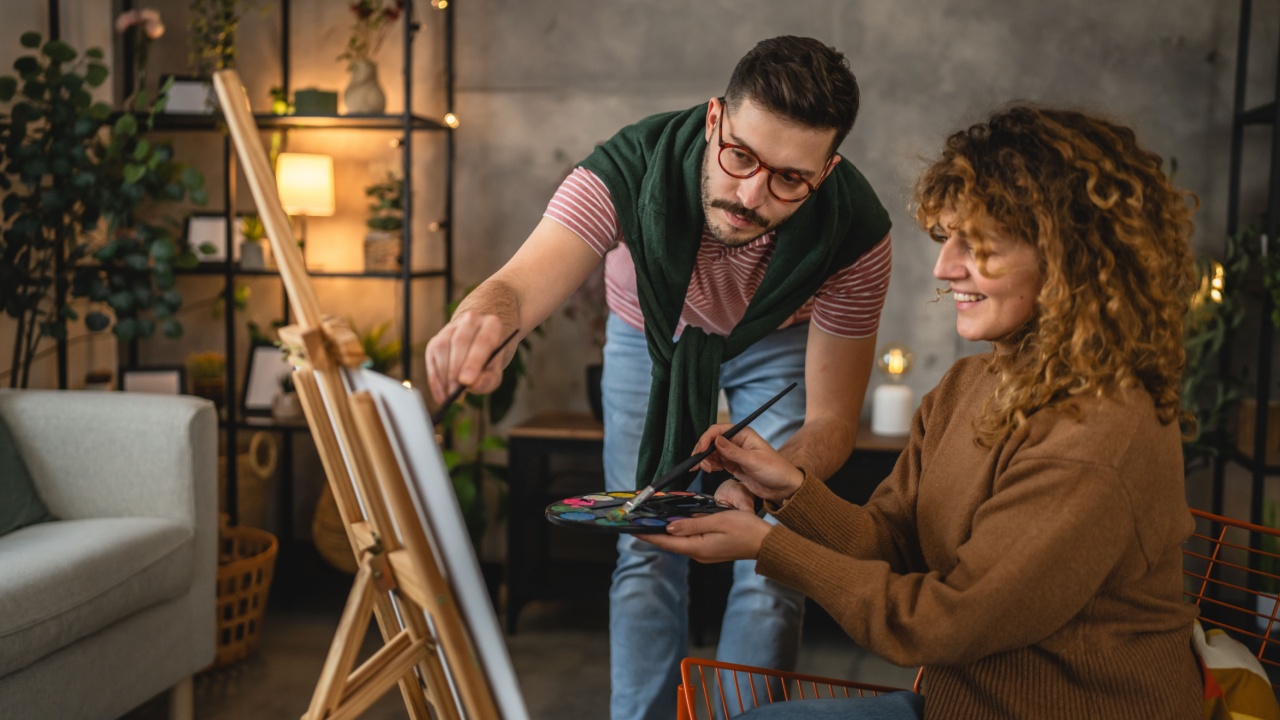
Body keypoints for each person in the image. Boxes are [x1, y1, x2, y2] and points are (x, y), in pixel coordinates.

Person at [644, 105, 1204, 719]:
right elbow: (892, 543)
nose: (944, 266)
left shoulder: (1098, 433)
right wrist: (791, 488)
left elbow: (943, 622)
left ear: (1074, 256)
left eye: (980, 243)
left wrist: (766, 548)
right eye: (948, 237)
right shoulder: (970, 383)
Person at [424, 36, 893, 720]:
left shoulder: (855, 231)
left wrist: (771, 480)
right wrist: (484, 320)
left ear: (828, 171)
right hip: (651, 333)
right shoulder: (631, 163)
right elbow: (517, 288)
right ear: (713, 120)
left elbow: (830, 422)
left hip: (781, 340)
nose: (752, 195)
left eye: (790, 179)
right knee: (643, 544)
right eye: (740, 156)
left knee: (776, 559)